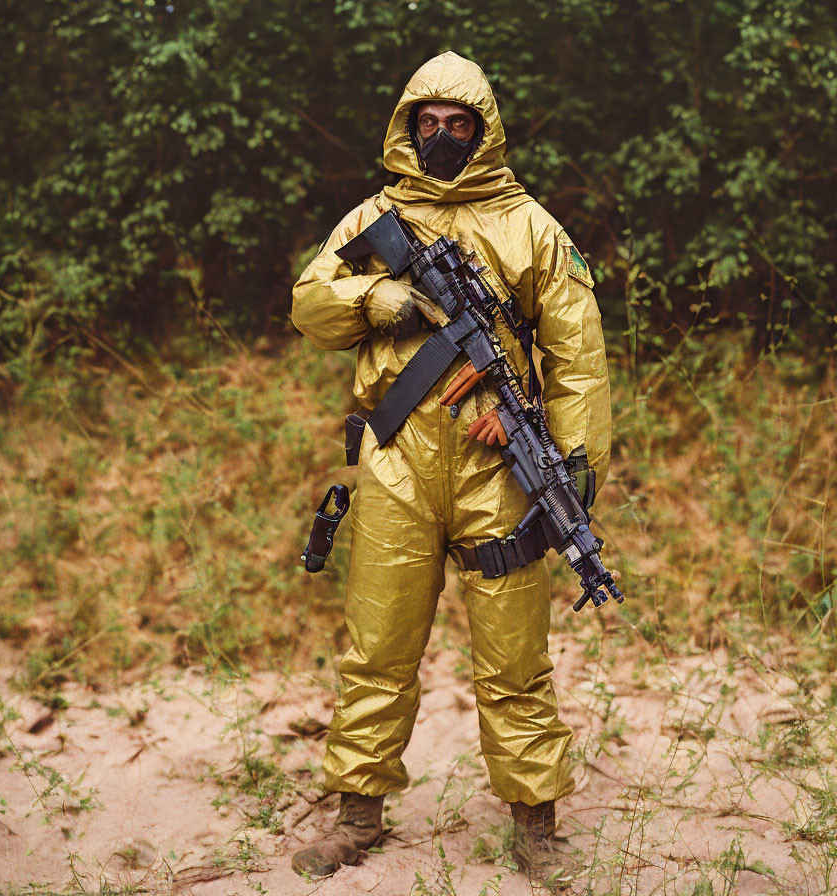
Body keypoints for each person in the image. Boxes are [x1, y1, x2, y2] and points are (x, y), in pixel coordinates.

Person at [289, 50, 611, 887]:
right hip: (397, 460)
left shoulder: (530, 226)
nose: (440, 136)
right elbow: (307, 303)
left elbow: (576, 357)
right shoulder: (374, 216)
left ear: (484, 129)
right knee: (379, 645)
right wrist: (377, 299)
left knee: (514, 655)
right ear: (406, 128)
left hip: (497, 462)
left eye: (456, 123)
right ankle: (357, 810)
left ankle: (535, 821)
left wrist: (575, 466)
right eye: (425, 123)